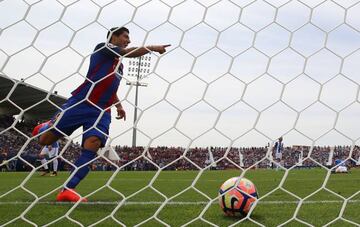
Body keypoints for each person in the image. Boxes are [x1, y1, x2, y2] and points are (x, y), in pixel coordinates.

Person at [32, 27, 170, 202]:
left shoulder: (120, 66)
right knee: (45, 140)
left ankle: (67, 189)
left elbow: (111, 88)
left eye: (129, 38)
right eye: (125, 36)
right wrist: (153, 47)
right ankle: (45, 126)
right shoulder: (102, 48)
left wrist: (119, 105)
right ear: (114, 36)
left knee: (93, 144)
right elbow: (126, 52)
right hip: (82, 102)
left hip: (102, 110)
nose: (128, 40)